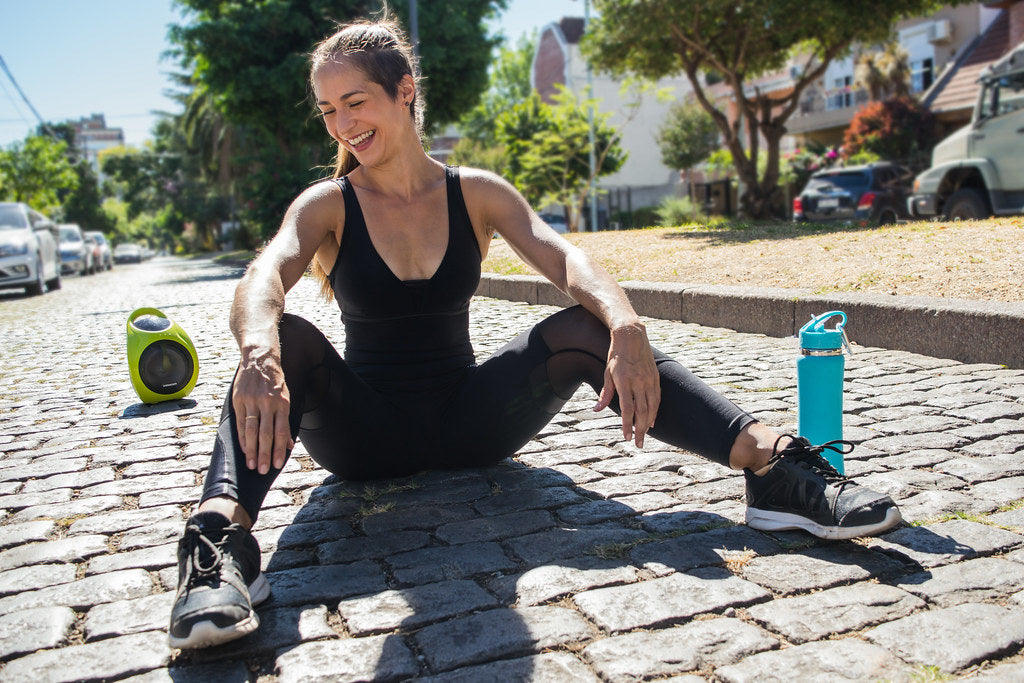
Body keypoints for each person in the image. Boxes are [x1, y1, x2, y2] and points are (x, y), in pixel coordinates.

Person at [168, 17, 902, 650]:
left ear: (405, 92)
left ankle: (770, 466)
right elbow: (264, 275)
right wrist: (258, 346)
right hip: (364, 437)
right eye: (327, 109)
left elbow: (565, 257)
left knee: (586, 324)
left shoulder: (478, 192)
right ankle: (219, 548)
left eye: (354, 102)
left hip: (471, 422)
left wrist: (626, 320)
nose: (340, 124)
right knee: (286, 339)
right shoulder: (327, 204)